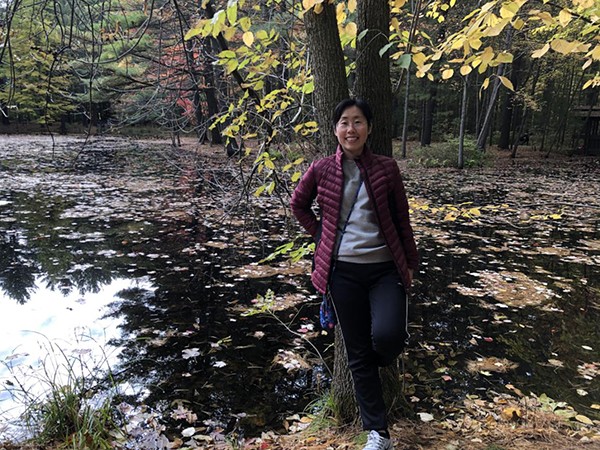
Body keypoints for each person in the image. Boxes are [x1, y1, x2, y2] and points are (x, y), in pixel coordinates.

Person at [290, 98, 419, 450]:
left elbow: (402, 218)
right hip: (342, 272)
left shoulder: (386, 168)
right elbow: (298, 204)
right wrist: (321, 235)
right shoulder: (321, 169)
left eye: (358, 121)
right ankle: (379, 434)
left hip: (385, 269)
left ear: (369, 128)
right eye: (344, 122)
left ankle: (374, 368)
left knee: (390, 337)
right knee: (358, 353)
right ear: (335, 129)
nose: (351, 129)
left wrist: (410, 262)